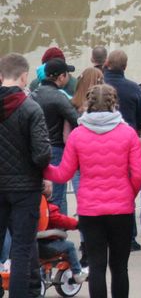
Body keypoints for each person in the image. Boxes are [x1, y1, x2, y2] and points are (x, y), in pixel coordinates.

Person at [45, 84, 141, 298]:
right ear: (114, 103)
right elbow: (139, 173)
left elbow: (63, 174)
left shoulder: (78, 135)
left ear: (88, 104)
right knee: (120, 267)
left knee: (97, 266)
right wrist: (130, 194)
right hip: (121, 208)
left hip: (90, 210)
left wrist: (41, 167)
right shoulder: (128, 133)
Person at [0, 53, 51, 298]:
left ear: (1, 76)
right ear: (24, 76)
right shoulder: (31, 108)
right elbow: (42, 155)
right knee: (20, 250)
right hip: (25, 189)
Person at [31, 58, 79, 215]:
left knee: (39, 192)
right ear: (61, 77)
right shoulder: (59, 97)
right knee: (57, 195)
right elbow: (76, 121)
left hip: (34, 148)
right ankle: (58, 231)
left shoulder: (33, 95)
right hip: (56, 149)